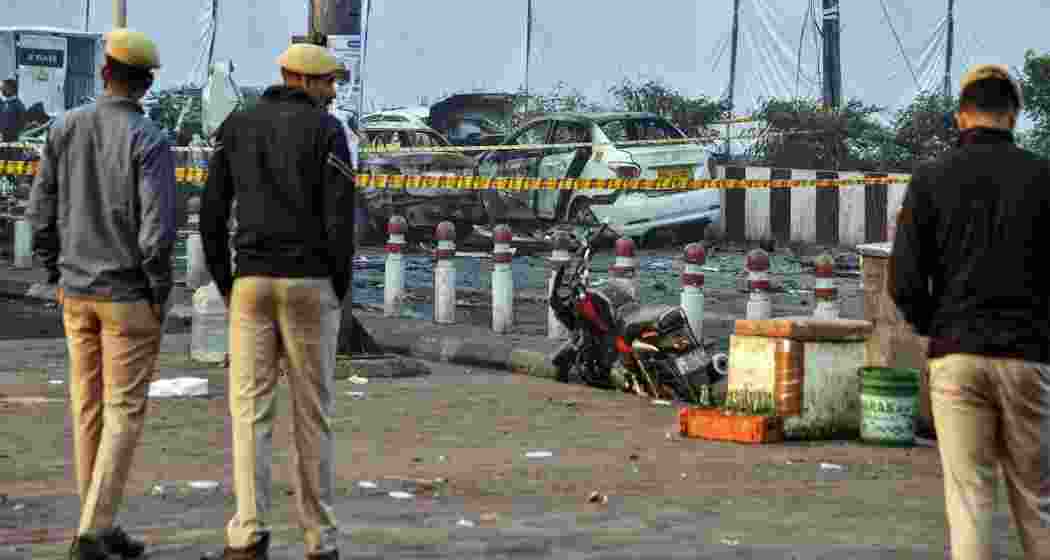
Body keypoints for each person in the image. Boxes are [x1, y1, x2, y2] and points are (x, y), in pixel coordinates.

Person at [199, 42, 355, 560]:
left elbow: (211, 216)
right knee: (313, 415)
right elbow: (340, 220)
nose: (334, 92)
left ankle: (247, 534)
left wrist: (229, 282)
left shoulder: (236, 127)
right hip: (310, 283)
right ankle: (320, 539)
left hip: (251, 283)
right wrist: (338, 284)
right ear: (303, 80)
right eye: (328, 82)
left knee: (249, 414)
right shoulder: (329, 132)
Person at [890, 63, 1050, 560]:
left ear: (961, 116)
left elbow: (905, 281)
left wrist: (938, 328)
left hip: (956, 355)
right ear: (1014, 115)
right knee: (1039, 500)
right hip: (1031, 358)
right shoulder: (1045, 177)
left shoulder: (931, 178)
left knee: (972, 501)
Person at [26, 29, 174, 560]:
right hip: (128, 294)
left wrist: (53, 271)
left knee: (87, 409)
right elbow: (157, 233)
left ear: (104, 73)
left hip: (75, 291)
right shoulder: (150, 138)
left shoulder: (64, 128)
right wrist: (159, 294)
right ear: (146, 83)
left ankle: (98, 522)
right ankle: (93, 531)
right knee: (124, 411)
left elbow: (39, 212)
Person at [0, 76, 25, 142]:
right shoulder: (3, 103)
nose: (1, 90)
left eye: (3, 88)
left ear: (11, 89)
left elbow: (22, 124)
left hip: (12, 140)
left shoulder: (18, 105)